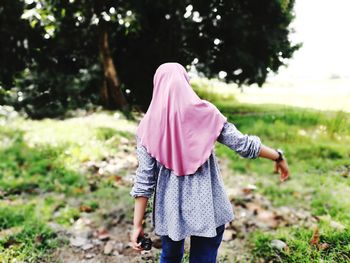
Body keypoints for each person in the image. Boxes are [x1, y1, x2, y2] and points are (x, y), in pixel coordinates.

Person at [129, 62, 290, 263]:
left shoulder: (147, 127)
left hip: (170, 210)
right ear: (186, 83)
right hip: (208, 205)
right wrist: (278, 156)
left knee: (169, 257)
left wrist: (137, 224)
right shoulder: (207, 114)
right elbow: (244, 145)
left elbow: (145, 180)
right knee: (204, 258)